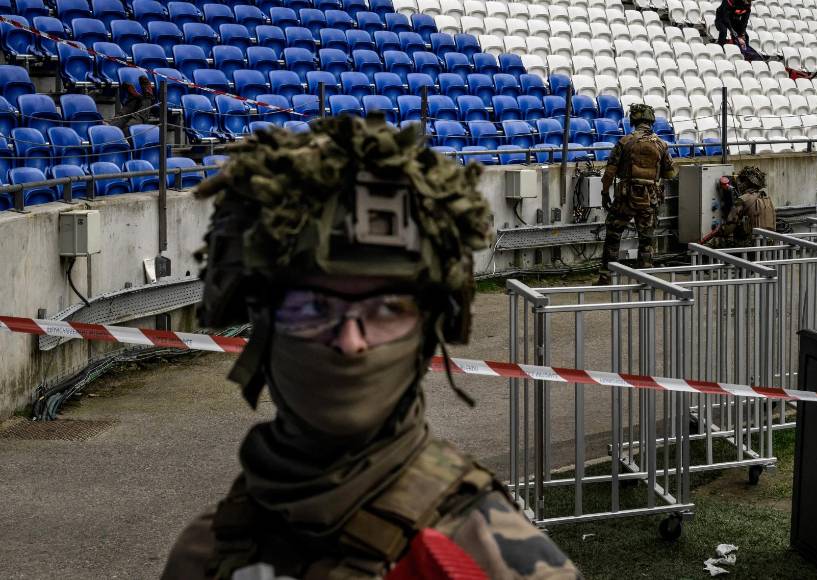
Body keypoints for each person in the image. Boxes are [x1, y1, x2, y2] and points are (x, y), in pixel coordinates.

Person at [161, 114, 580, 579]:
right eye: (312, 307)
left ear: (426, 333)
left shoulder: (495, 557)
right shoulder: (204, 553)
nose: (350, 341)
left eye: (386, 309)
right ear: (263, 324)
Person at [596, 104, 675, 286]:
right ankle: (645, 280)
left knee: (614, 234)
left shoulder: (625, 142)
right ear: (651, 121)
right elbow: (670, 174)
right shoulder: (662, 144)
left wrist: (604, 192)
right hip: (650, 198)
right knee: (646, 240)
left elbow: (609, 172)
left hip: (625, 197)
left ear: (633, 121)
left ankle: (606, 276)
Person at [710, 166, 776, 248]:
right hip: (769, 246)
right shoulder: (766, 199)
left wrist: (718, 232)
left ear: (747, 183)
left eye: (741, 180)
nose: (739, 183)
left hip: (750, 246)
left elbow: (729, 226)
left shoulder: (742, 200)